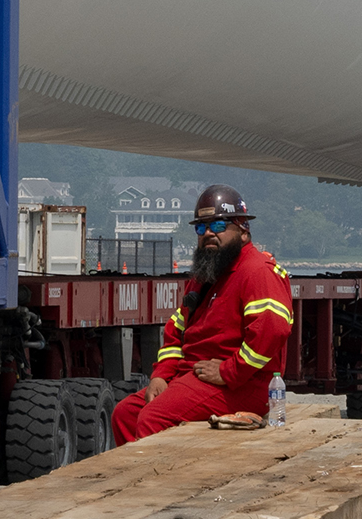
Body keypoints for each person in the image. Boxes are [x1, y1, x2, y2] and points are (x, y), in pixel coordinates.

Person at [111, 186, 294, 443]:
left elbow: (272, 330)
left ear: (243, 230)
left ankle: (160, 482)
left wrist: (230, 371)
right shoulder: (205, 276)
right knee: (125, 414)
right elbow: (176, 332)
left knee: (152, 418)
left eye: (218, 226)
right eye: (201, 228)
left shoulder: (257, 271)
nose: (208, 233)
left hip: (243, 384)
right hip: (194, 377)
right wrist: (161, 375)